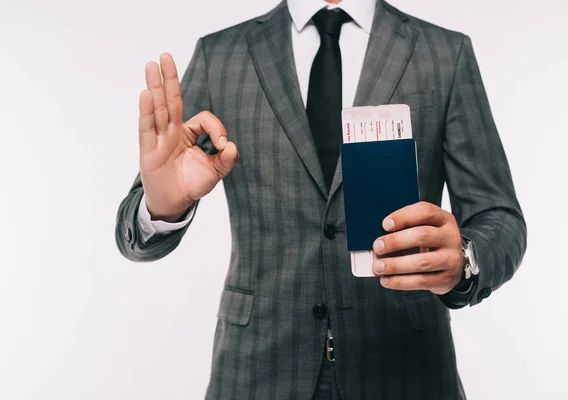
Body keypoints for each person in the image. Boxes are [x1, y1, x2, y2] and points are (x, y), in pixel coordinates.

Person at [115, 0, 526, 398]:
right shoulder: (220, 54)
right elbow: (133, 231)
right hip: (256, 371)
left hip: (406, 370)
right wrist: (163, 208)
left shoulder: (443, 52)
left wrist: (466, 260)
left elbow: (499, 216)